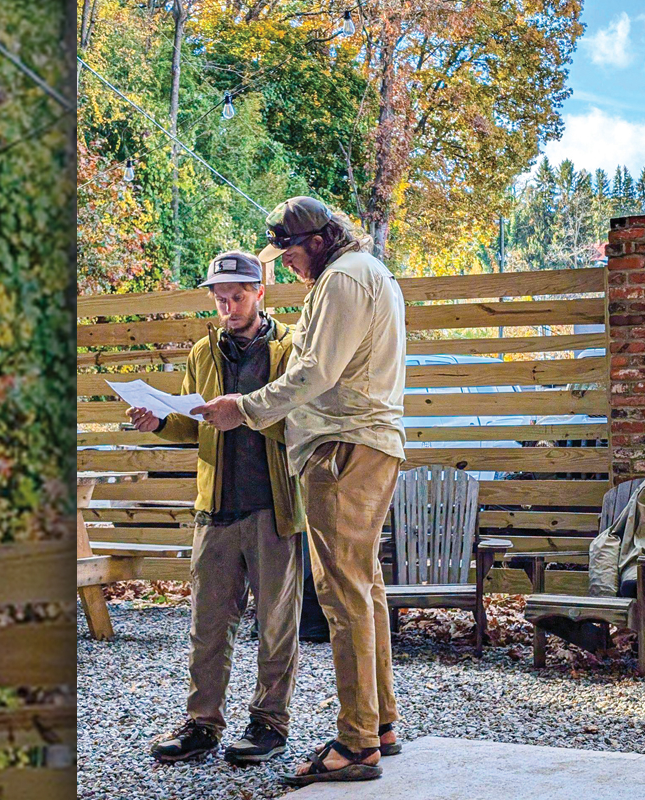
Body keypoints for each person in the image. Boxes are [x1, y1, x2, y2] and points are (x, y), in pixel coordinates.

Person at [198, 197, 406, 785]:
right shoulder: (374, 273)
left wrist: (245, 407)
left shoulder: (341, 280)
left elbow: (316, 372)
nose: (286, 264)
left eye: (288, 252)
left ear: (315, 241)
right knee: (365, 588)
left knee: (341, 595)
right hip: (371, 440)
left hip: (341, 448)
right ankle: (381, 722)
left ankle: (356, 743)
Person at [126, 251, 306, 766]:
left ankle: (269, 723)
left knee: (276, 624)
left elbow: (299, 419)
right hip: (216, 509)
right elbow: (193, 422)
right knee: (207, 625)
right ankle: (202, 725)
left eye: (238, 296)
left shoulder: (291, 348)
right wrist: (159, 423)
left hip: (274, 507)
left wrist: (243, 415)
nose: (228, 306)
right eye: (220, 298)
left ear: (260, 292)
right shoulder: (203, 352)